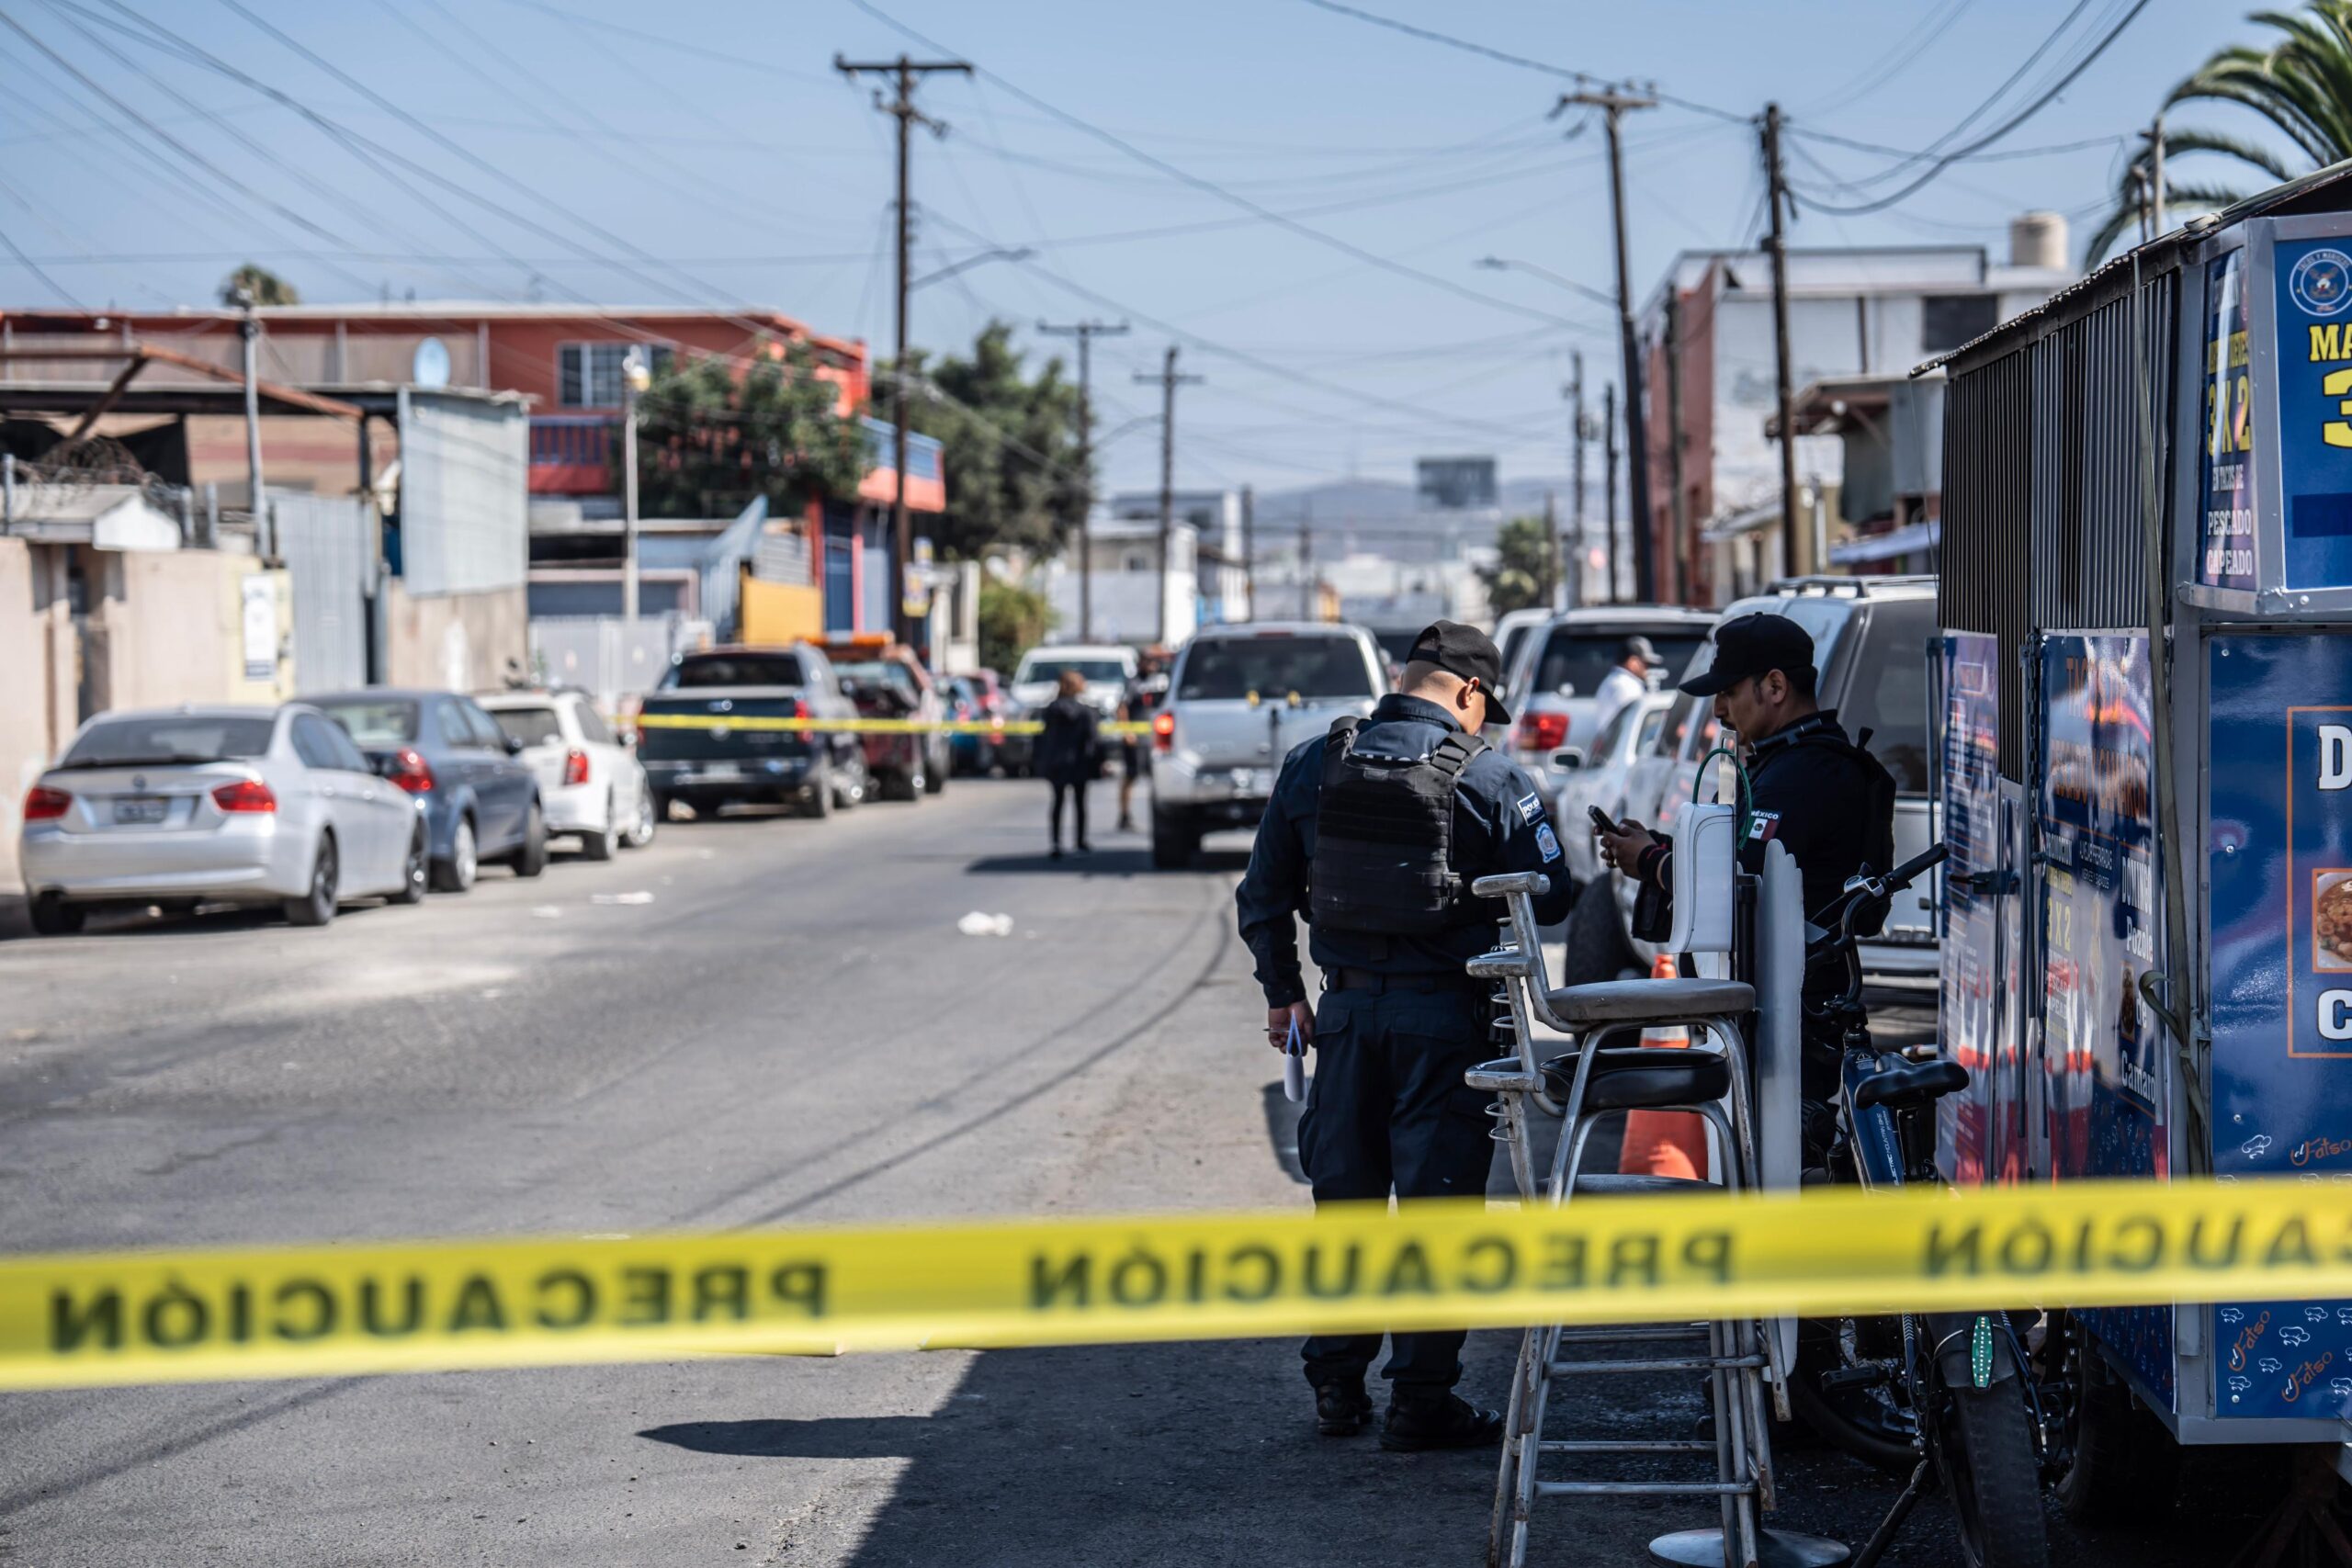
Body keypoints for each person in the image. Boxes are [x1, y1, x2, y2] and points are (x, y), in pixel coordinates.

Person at [1236, 619, 1576, 1450]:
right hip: (1446, 1025)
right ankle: (1421, 1404)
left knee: (1345, 1206)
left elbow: (1261, 894)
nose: (1483, 724)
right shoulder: (1490, 775)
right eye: (1483, 708)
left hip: (1345, 1017)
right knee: (1438, 1211)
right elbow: (1555, 893)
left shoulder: (1315, 761)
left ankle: (1336, 1391)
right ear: (1467, 692)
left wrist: (1286, 995)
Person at [1592, 613, 1895, 1114]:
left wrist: (1648, 860)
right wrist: (1658, 845)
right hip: (1770, 1008)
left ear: (1774, 686)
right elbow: (1733, 858)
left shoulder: (1807, 772)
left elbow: (1733, 885)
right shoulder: (1782, 765)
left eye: (1728, 692)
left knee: (1782, 1160)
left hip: (1790, 1014)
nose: (1718, 710)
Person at [1034, 670, 1102, 859]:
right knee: (1080, 803)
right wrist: (1098, 761)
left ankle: (1056, 842)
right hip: (1079, 762)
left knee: (1057, 802)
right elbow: (1093, 739)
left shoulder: (1051, 710)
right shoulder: (1086, 712)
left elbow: (1044, 736)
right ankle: (1080, 840)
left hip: (1057, 761)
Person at [1116, 649, 1170, 833]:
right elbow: (1122, 707)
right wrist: (1127, 731)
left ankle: (1164, 816)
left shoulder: (1162, 681)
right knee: (1131, 776)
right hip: (1136, 739)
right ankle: (1124, 815)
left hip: (1159, 738)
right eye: (1148, 661)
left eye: (1154, 661)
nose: (1152, 665)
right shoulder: (1133, 682)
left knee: (1159, 778)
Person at [1589, 635, 1656, 738]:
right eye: (1645, 664)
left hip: (1612, 747)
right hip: (1621, 746)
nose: (1647, 669)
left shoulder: (1613, 681)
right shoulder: (1626, 685)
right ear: (1632, 662)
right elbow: (1631, 725)